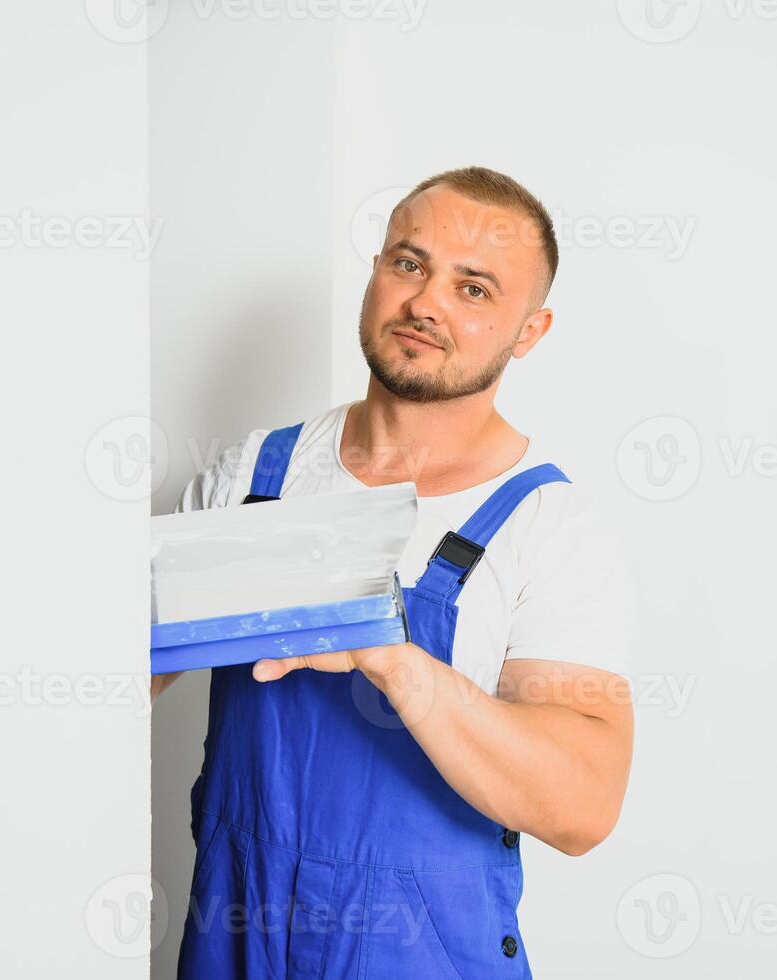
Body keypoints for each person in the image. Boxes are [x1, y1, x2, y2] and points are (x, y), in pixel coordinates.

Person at [159, 166, 635, 979]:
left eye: (475, 288)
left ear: (530, 330)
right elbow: (98, 689)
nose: (426, 304)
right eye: (408, 264)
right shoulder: (250, 475)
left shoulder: (544, 527)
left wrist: (394, 664)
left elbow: (583, 807)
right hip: (232, 938)